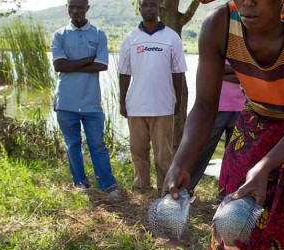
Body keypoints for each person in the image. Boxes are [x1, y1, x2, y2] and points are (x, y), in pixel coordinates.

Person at [164, 0, 284, 250]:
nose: (247, 1)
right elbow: (206, 105)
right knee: (233, 213)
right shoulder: (218, 25)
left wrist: (265, 166)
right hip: (257, 118)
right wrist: (181, 162)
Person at [51, 0, 121, 201]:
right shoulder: (59, 35)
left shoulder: (98, 34)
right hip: (65, 102)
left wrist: (71, 66)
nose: (75, 11)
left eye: (79, 7)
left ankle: (108, 185)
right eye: (71, 7)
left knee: (97, 144)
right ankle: (80, 182)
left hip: (92, 103)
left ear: (87, 9)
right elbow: (59, 65)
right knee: (72, 144)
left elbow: (102, 65)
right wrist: (88, 59)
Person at [118, 0, 187, 194]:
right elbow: (124, 73)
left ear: (158, 8)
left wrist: (177, 100)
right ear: (140, 9)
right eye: (145, 5)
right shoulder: (131, 38)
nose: (148, 9)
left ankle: (165, 188)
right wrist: (122, 101)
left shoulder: (171, 38)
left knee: (163, 154)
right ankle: (141, 186)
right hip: (136, 105)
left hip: (163, 105)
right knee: (138, 151)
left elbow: (178, 72)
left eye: (152, 5)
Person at [189, 61, 245, 192]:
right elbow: (208, 70)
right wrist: (239, 72)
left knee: (236, 156)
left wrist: (221, 72)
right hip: (215, 106)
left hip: (242, 108)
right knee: (202, 150)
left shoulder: (245, 49)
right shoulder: (218, 46)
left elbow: (252, 74)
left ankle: (228, 195)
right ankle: (186, 189)